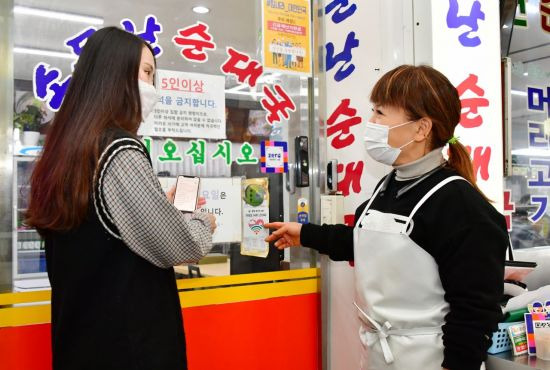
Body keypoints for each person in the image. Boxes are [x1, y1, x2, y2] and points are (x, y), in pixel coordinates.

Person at [265, 65, 508, 370]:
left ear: (421, 129)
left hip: (430, 359)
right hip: (380, 354)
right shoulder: (390, 186)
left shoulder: (459, 204)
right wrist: (305, 233)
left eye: (380, 113)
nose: (371, 122)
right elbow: (364, 241)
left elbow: (476, 309)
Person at [26, 27, 216, 370]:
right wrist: (202, 221)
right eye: (146, 72)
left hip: (80, 344)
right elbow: (183, 245)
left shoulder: (66, 151)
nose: (152, 86)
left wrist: (161, 211)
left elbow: (102, 233)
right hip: (131, 349)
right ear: (114, 75)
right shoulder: (120, 150)